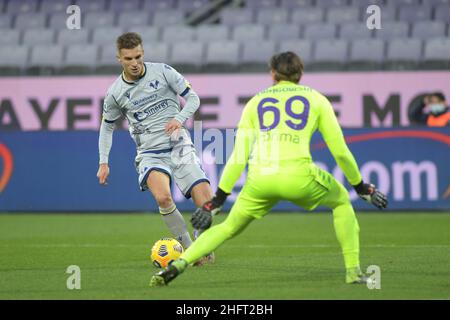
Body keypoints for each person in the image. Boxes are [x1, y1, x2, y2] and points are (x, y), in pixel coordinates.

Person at [150, 51, 388, 287]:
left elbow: (239, 156)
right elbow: (340, 151)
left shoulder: (255, 102)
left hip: (260, 179)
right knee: (342, 201)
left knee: (229, 227)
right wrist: (361, 186)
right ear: (300, 73)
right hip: (299, 176)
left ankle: (178, 265)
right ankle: (354, 272)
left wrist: (218, 199)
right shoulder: (317, 100)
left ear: (272, 73)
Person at [96, 32, 214, 264]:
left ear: (143, 53)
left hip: (179, 145)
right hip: (150, 152)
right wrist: (103, 162)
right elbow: (106, 128)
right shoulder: (115, 93)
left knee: (207, 202)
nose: (135, 63)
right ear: (119, 58)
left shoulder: (163, 71)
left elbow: (194, 99)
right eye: (128, 58)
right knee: (163, 198)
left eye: (138, 56)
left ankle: (202, 238)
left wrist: (179, 119)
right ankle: (190, 251)